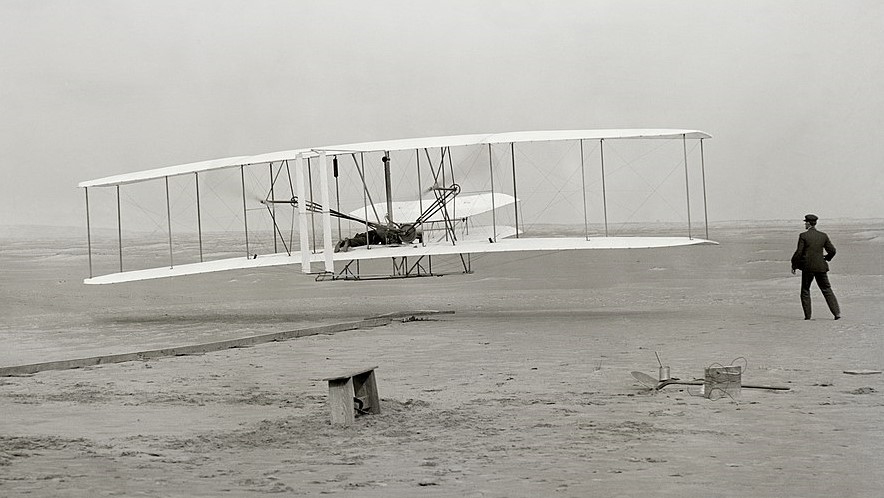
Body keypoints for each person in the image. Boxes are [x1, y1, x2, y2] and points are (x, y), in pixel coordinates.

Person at [790, 214, 841, 320]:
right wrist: (827, 258)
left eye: (805, 222)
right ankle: (837, 314)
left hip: (808, 267)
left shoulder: (803, 236)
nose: (805, 224)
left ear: (808, 223)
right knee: (827, 289)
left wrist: (794, 264)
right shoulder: (823, 235)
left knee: (805, 290)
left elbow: (799, 252)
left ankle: (808, 316)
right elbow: (832, 250)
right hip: (821, 267)